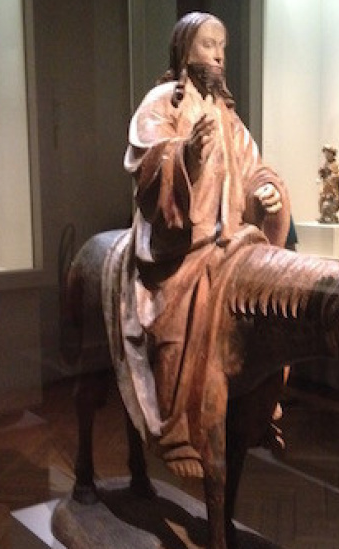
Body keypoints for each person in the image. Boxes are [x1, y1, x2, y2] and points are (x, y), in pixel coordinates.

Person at [119, 11, 291, 478]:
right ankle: (177, 429)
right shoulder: (163, 102)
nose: (217, 54)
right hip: (181, 245)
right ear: (183, 50)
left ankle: (259, 406)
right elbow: (145, 155)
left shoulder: (229, 117)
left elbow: (255, 167)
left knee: (274, 305)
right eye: (208, 44)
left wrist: (265, 190)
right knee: (174, 316)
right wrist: (184, 154)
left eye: (223, 46)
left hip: (233, 242)